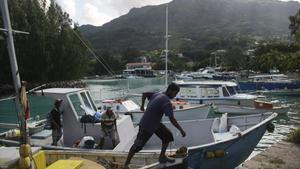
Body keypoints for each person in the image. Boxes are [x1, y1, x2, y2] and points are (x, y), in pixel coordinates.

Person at [123, 83, 186, 168]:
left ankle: (162, 157)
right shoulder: (166, 102)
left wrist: (142, 105)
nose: (175, 95)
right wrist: (181, 130)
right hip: (146, 125)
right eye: (175, 93)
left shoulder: (158, 94)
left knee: (167, 136)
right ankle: (126, 164)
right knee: (137, 146)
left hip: (156, 124)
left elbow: (144, 94)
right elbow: (172, 119)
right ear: (170, 90)